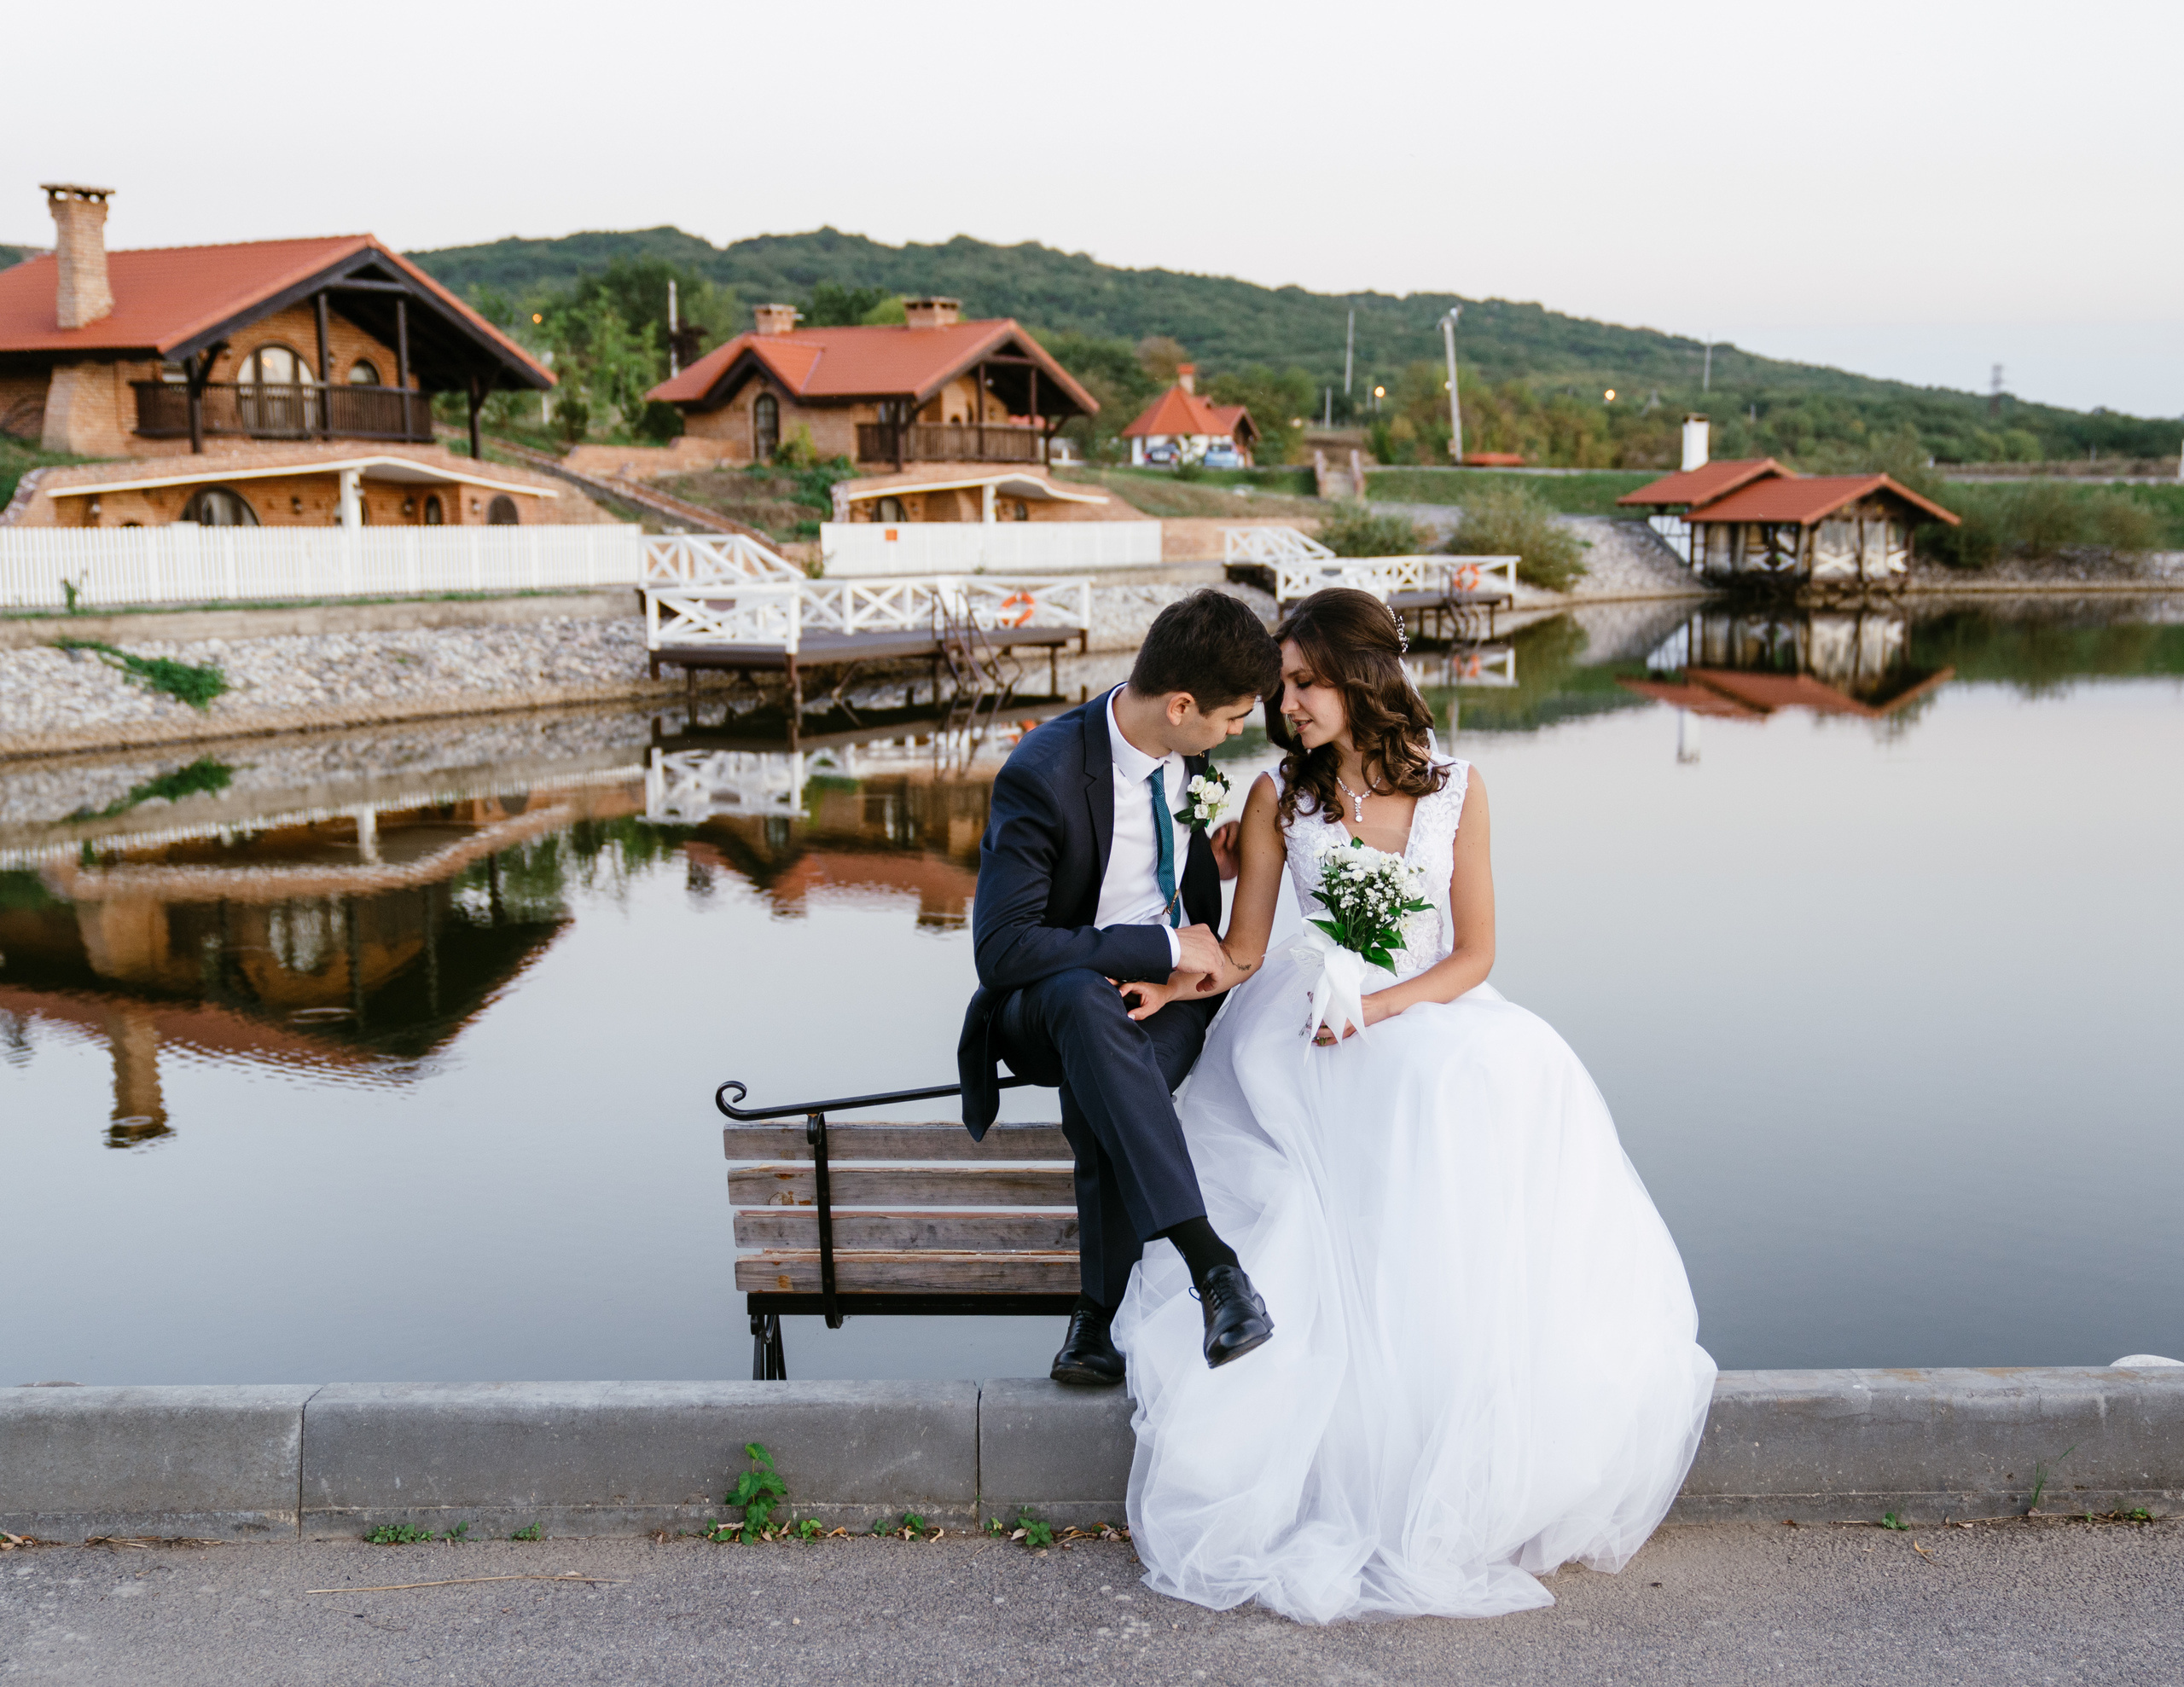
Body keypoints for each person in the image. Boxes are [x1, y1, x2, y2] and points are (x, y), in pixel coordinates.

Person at [1112, 588, 1717, 1623]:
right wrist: (1175, 984)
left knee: (1503, 1071)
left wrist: (1384, 1006)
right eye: (1282, 687)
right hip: (1304, 1020)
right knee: (1409, 1090)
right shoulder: (1275, 796)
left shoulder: (1458, 789)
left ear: (1361, 679)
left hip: (1424, 1003)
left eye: (1304, 683)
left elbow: (1476, 953)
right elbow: (1247, 948)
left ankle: (1466, 1415)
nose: (1286, 704)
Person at [957, 589, 1284, 1385]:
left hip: (1163, 999)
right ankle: (1213, 1267)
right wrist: (1165, 942)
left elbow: (1156, 864)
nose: (1236, 734)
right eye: (1232, 718)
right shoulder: (1043, 772)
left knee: (1104, 1072)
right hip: (1044, 1001)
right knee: (1082, 1003)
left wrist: (1207, 865)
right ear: (1181, 706)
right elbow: (1001, 950)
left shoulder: (1189, 759)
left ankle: (1093, 1324)